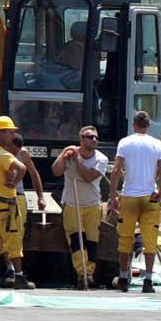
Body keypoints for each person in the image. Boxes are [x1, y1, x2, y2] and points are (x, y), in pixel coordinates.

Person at [0, 114, 44, 288]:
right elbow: (21, 168)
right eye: (9, 132)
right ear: (0, 134)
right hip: (8, 206)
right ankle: (19, 277)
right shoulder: (2, 154)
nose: (12, 136)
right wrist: (14, 182)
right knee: (14, 241)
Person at [109, 109, 161, 292]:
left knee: (125, 238)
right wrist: (160, 193)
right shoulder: (157, 144)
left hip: (129, 196)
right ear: (148, 125)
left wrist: (113, 196)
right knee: (150, 240)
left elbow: (117, 170)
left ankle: (124, 277)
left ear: (134, 124)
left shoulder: (125, 143)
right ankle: (148, 281)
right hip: (150, 196)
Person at [55, 124, 109, 289]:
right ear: (81, 139)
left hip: (92, 204)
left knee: (92, 241)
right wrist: (64, 156)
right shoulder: (69, 153)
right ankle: (82, 273)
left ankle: (90, 273)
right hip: (72, 204)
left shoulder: (101, 159)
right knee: (76, 241)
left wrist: (77, 158)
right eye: (89, 136)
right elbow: (56, 171)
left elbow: (88, 177)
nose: (94, 140)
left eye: (96, 137)